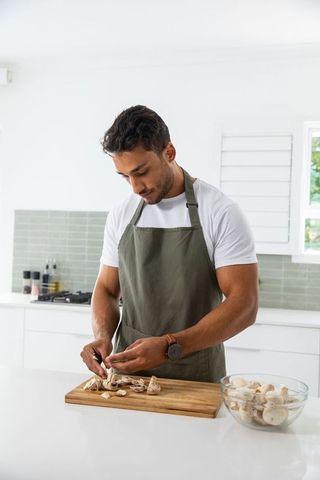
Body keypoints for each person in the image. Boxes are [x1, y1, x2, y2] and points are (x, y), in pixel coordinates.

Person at [80, 105, 258, 382]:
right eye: (125, 176)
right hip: (129, 374)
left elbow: (244, 304)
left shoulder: (219, 211)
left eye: (141, 171)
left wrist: (168, 347)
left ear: (169, 153)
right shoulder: (122, 214)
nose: (135, 187)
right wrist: (102, 338)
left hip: (195, 375)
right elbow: (106, 288)